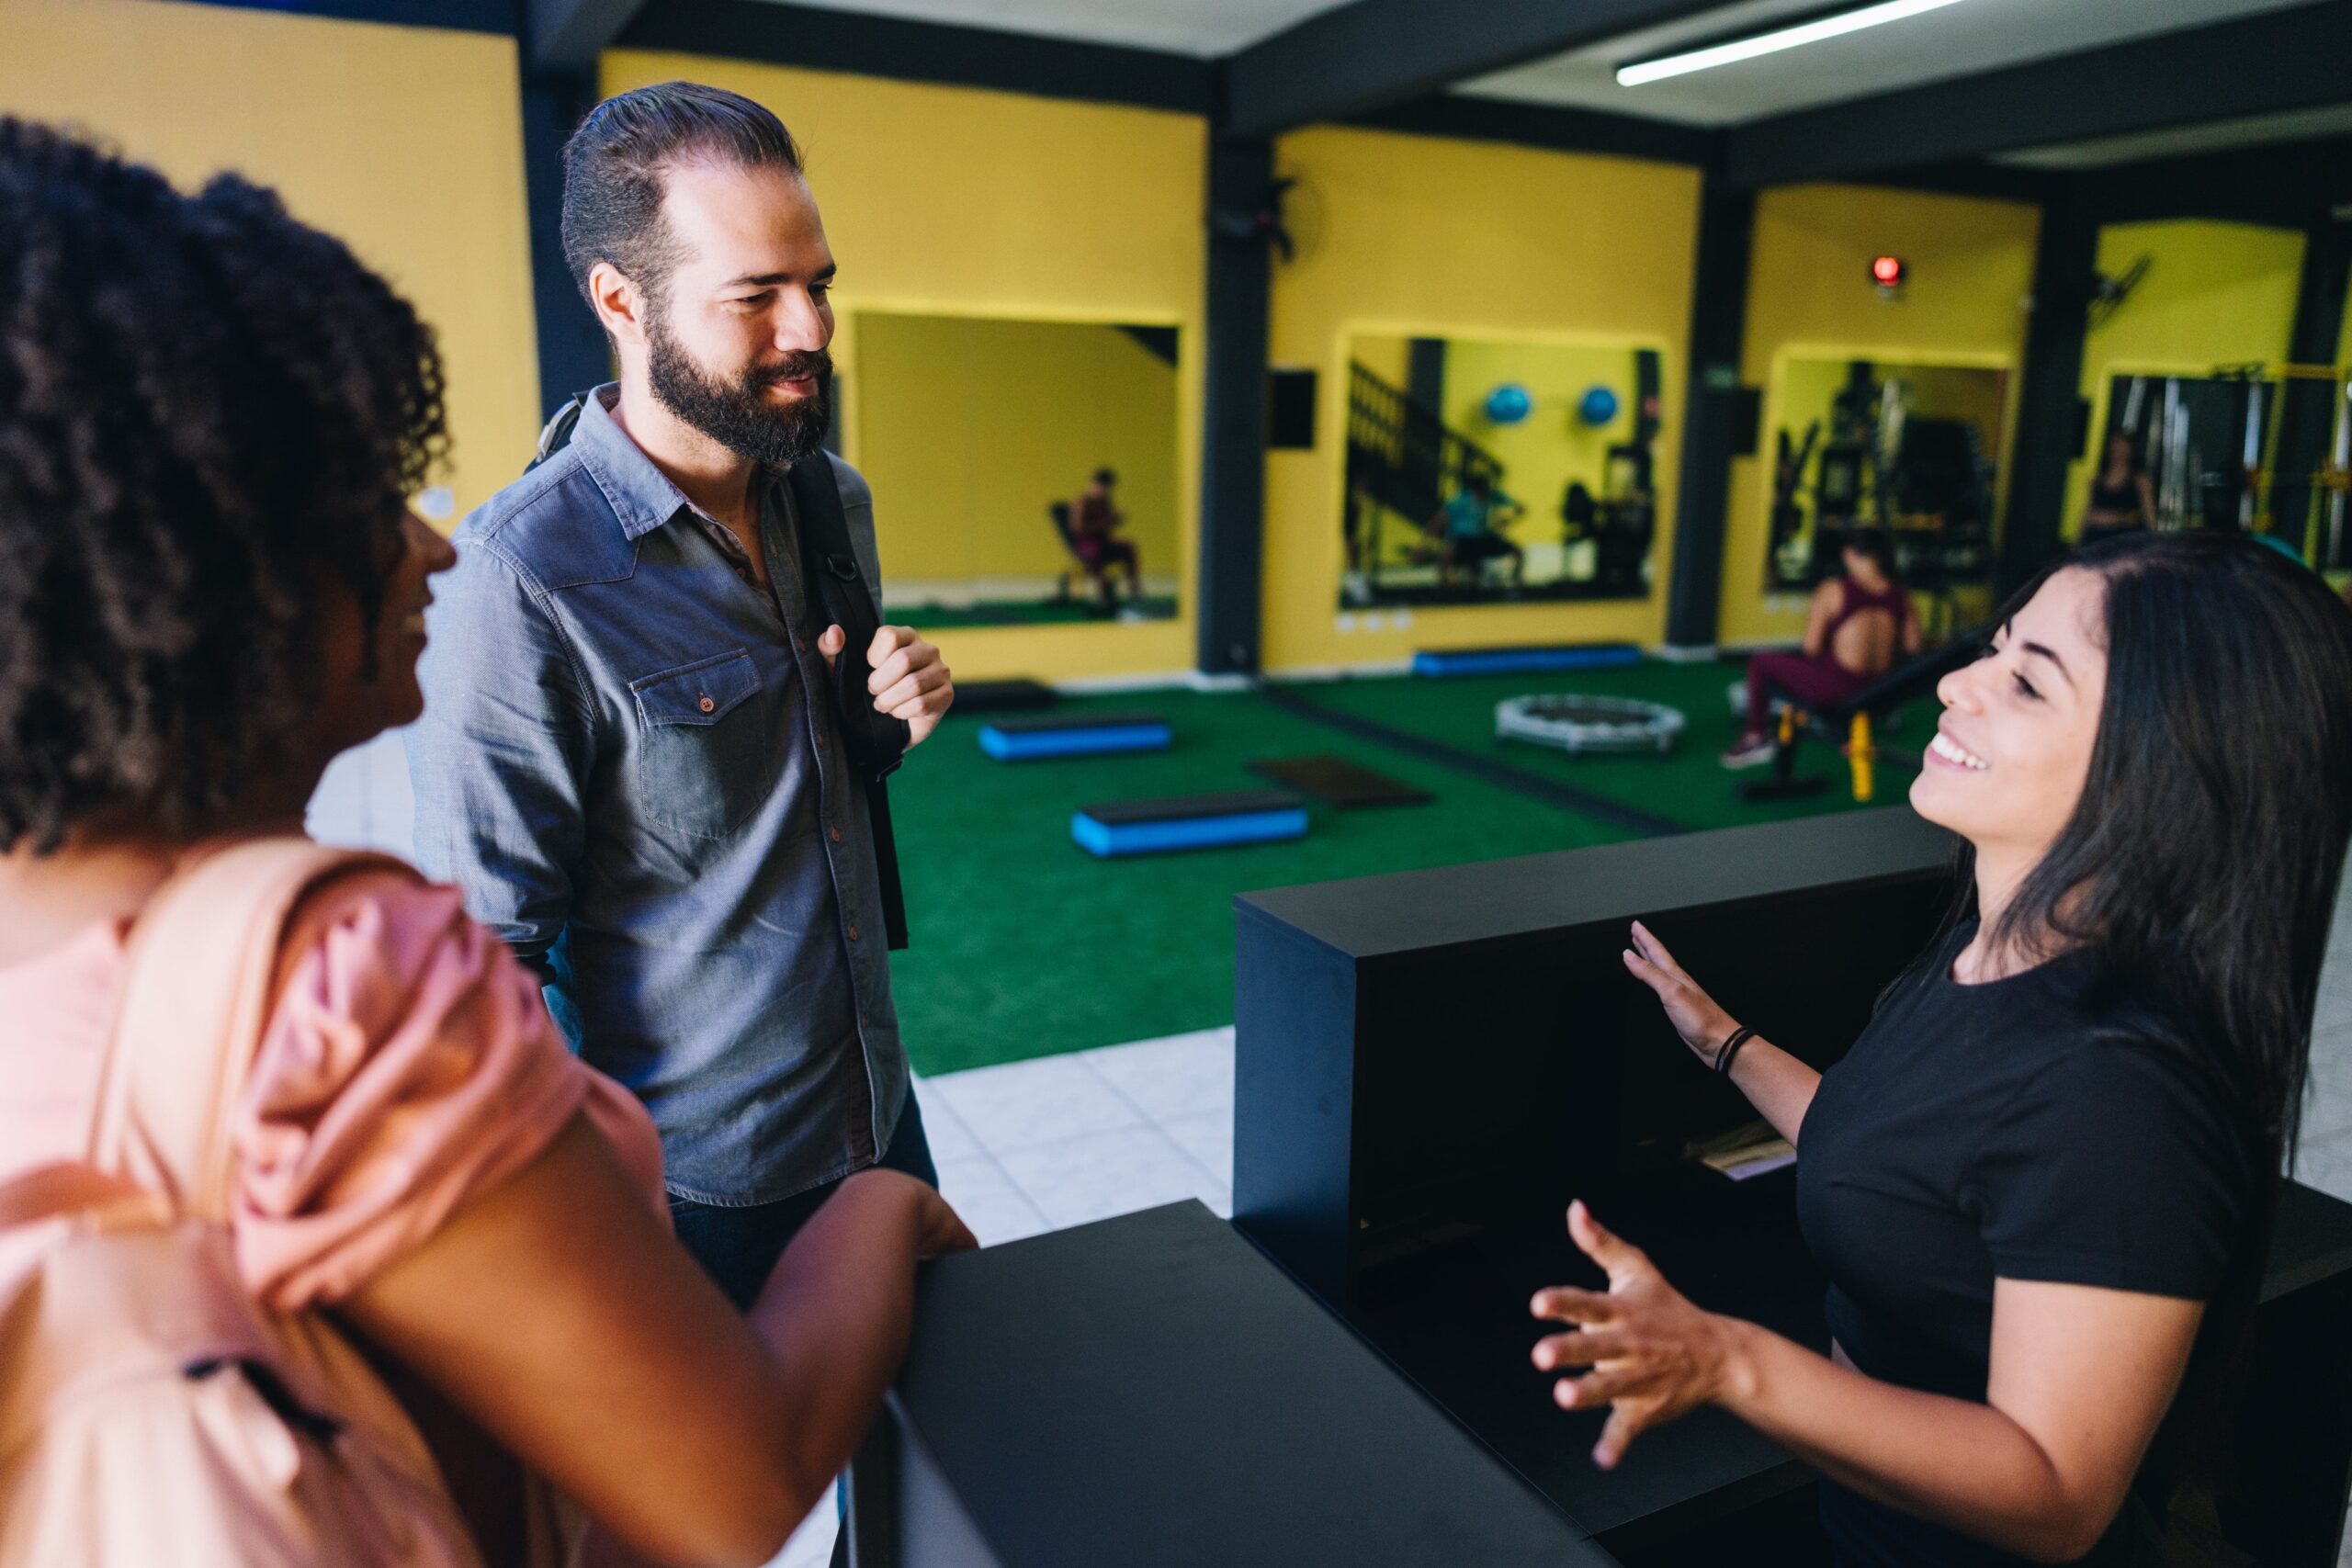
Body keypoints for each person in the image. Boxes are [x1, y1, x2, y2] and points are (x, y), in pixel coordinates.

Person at [0, 119, 972, 1567]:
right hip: (717, 1170)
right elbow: (728, 1479)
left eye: (817, 283)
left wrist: (875, 722)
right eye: (366, 499)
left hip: (857, 1082)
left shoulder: (63, 946)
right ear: (197, 575)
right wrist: (888, 1207)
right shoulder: (359, 981)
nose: (435, 544)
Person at [1533, 532, 2352, 1565]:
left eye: (2027, 682)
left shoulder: (2121, 1091)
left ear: (2166, 771)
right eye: (1994, 649)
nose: (1957, 684)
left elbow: (2058, 1496)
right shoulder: (1986, 950)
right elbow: (1900, 1157)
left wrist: (1728, 1361)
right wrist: (1726, 1043)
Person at [405, 83, 957, 1309]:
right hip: (696, 1189)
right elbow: (486, 966)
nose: (812, 329)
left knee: (937, 1436)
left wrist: (886, 719)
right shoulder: (519, 578)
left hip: (877, 1106)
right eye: (756, 296)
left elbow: (796, 773)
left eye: (818, 283)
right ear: (621, 301)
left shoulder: (830, 496)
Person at [1723, 526, 1920, 768]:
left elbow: (1811, 647)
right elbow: (1913, 646)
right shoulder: (1901, 594)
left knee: (1760, 662)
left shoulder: (1833, 590)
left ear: (1849, 554)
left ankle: (1755, 738)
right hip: (1880, 691)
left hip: (1838, 689)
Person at [1424, 470, 1525, 589]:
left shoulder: (1491, 495)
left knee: (1517, 552)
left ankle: (1514, 581)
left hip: (1481, 538)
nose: (1481, 494)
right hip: (1462, 539)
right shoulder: (1461, 501)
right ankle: (1444, 584)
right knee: (1447, 556)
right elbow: (1439, 519)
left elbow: (1520, 508)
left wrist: (1505, 521)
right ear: (1472, 490)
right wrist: (1427, 542)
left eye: (1483, 490)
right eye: (1479, 491)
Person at [1069, 467, 1141, 606]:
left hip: (1103, 542)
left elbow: (1107, 526)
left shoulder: (1105, 501)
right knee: (1096, 550)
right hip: (1085, 544)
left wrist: (1116, 520)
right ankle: (1101, 594)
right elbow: (1079, 529)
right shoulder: (1082, 503)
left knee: (1128, 546)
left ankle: (1134, 589)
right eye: (1101, 487)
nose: (1103, 491)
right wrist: (1107, 521)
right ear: (1093, 485)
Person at [2080, 431, 2156, 544]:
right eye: (2115, 447)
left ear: (2131, 451)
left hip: (2124, 542)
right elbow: (2086, 513)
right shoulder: (2096, 479)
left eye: (2122, 448)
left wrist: (2115, 519)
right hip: (2095, 541)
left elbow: (2148, 516)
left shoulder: (2140, 481)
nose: (2118, 452)